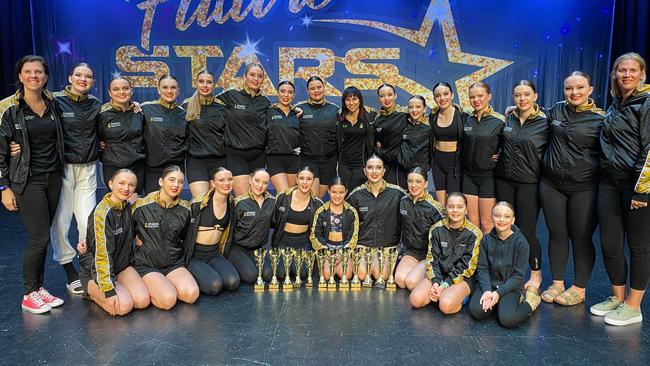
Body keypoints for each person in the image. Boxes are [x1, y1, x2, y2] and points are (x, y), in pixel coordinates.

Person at [0, 55, 66, 314]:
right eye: (28, 71)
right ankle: (29, 293)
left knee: (44, 237)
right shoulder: (10, 109)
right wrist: (4, 188)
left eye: (38, 72)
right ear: (20, 76)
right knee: (38, 238)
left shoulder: (53, 104)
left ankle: (39, 289)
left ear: (46, 77)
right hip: (27, 181)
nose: (33, 76)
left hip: (53, 177)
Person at [592, 52, 650, 326]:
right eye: (621, 70)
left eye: (632, 70)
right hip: (609, 183)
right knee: (610, 243)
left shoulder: (647, 103)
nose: (626, 75)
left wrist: (642, 191)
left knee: (638, 247)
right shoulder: (616, 104)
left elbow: (649, 149)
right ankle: (617, 297)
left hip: (636, 186)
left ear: (641, 74)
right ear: (615, 74)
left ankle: (634, 306)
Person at [539, 71, 605, 306]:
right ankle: (557, 283)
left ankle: (579, 287)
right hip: (551, 184)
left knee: (581, 238)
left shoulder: (601, 119)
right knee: (556, 235)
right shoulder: (556, 110)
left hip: (584, 188)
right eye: (569, 88)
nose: (574, 93)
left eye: (579, 88)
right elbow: (536, 120)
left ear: (590, 90)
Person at [495, 80, 548, 292]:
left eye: (527, 94)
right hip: (504, 180)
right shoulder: (509, 118)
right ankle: (507, 273)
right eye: (517, 95)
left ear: (535, 95)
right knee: (504, 228)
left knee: (527, 231)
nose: (522, 99)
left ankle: (536, 274)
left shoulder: (545, 122)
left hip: (529, 183)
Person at [77, 169, 150, 316]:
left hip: (121, 266)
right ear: (110, 184)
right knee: (124, 307)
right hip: (97, 270)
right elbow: (102, 254)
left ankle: (119, 286)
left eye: (131, 185)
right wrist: (108, 290)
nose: (126, 188)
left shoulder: (127, 207)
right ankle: (91, 291)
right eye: (121, 183)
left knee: (142, 301)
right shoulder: (102, 213)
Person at [132, 165, 199, 310]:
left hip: (173, 263)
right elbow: (125, 231)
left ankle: (163, 285)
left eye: (181, 182)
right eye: (172, 180)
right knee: (168, 300)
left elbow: (186, 238)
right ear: (161, 181)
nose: (176, 185)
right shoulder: (140, 206)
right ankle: (149, 288)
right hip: (147, 263)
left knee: (192, 294)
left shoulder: (186, 209)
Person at [470, 202, 542, 328]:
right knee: (476, 311)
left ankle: (530, 302)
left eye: (507, 216)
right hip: (490, 285)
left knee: (508, 320)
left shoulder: (521, 242)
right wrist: (487, 290)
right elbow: (482, 268)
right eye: (497, 216)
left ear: (513, 220)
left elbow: (518, 276)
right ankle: (498, 303)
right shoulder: (486, 240)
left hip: (510, 287)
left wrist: (499, 293)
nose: (502, 220)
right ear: (492, 218)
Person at [409, 192, 480, 314]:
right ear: (445, 209)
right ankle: (439, 294)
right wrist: (436, 282)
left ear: (466, 210)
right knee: (415, 300)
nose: (455, 210)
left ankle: (461, 298)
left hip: (461, 278)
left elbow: (467, 267)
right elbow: (432, 259)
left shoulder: (474, 234)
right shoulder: (436, 229)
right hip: (440, 273)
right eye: (451, 206)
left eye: (460, 207)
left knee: (445, 306)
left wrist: (446, 284)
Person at [346, 155, 404, 282]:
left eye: (378, 168)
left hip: (387, 248)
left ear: (384, 171)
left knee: (381, 276)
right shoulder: (356, 195)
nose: (374, 171)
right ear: (364, 171)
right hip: (363, 247)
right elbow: (347, 224)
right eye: (370, 168)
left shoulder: (397, 194)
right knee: (361, 275)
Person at [217, 62, 271, 196]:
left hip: (258, 155)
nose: (256, 79)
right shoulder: (231, 96)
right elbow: (208, 104)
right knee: (243, 199)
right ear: (244, 77)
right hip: (236, 154)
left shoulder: (265, 102)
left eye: (259, 76)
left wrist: (295, 109)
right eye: (252, 75)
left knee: (257, 197)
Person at [185, 167, 240, 295]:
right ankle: (190, 274)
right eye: (221, 180)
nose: (226, 183)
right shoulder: (198, 203)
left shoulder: (232, 204)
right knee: (215, 286)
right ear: (213, 183)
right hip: (195, 255)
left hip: (214, 253)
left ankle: (206, 273)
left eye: (230, 179)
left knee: (233, 282)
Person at [461, 82, 504, 233]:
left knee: (487, 224)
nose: (476, 100)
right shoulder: (466, 119)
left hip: (488, 176)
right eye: (472, 97)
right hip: (468, 176)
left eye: (480, 96)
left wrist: (501, 155)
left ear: (489, 96)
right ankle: (474, 256)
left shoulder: (500, 121)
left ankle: (486, 256)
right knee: (472, 223)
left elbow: (511, 143)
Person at [395, 167, 445, 290]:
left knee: (411, 283)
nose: (413, 185)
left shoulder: (435, 208)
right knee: (400, 280)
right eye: (410, 181)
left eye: (418, 181)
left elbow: (445, 237)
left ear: (426, 184)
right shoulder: (403, 202)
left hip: (428, 254)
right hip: (411, 252)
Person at [271, 166, 324, 279]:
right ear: (296, 180)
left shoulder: (318, 204)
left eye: (309, 179)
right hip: (283, 242)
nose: (305, 182)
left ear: (313, 181)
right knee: (281, 274)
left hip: (303, 243)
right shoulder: (282, 197)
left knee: (302, 274)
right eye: (301, 178)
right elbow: (273, 220)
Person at [183, 70, 227, 197]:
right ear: (196, 83)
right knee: (201, 204)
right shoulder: (186, 106)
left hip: (219, 161)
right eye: (201, 81)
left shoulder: (222, 108)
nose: (205, 85)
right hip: (196, 162)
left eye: (209, 82)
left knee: (218, 203)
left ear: (214, 85)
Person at [98, 76, 146, 193]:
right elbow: (91, 136)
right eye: (116, 89)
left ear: (131, 91)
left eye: (125, 88)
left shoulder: (139, 112)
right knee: (117, 207)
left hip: (137, 166)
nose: (121, 92)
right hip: (113, 167)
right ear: (109, 93)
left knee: (133, 207)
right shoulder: (101, 114)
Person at [227, 169, 275, 284]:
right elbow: (228, 229)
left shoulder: (272, 202)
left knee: (268, 274)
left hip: (257, 249)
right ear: (250, 180)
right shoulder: (239, 203)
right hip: (238, 248)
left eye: (264, 182)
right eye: (257, 181)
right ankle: (233, 264)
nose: (260, 185)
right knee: (250, 276)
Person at [141, 75, 187, 193]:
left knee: (172, 206)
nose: (169, 91)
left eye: (173, 87)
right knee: (152, 207)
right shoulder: (145, 109)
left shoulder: (184, 114)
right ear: (158, 89)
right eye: (165, 87)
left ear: (178, 90)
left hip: (175, 169)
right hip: (152, 168)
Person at [297, 76, 340, 197]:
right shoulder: (300, 110)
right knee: (313, 197)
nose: (316, 91)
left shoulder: (335, 110)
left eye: (319, 87)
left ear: (324, 88)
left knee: (319, 198)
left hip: (329, 161)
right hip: (308, 160)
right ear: (307, 91)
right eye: (312, 88)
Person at [310, 177, 360, 281]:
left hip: (344, 248)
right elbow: (315, 235)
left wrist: (342, 254)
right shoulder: (321, 211)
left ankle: (341, 265)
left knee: (346, 274)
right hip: (326, 248)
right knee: (327, 275)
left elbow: (353, 237)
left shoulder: (351, 212)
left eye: (341, 192)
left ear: (346, 192)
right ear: (328, 191)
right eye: (334, 192)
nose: (337, 196)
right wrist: (327, 253)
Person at [430, 82, 466, 205]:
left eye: (446, 94)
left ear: (452, 95)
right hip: (438, 163)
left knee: (452, 204)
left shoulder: (462, 115)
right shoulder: (432, 116)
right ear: (434, 98)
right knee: (441, 205)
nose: (442, 98)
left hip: (455, 164)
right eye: (438, 95)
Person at [337, 86, 374, 191]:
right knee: (344, 194)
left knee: (357, 195)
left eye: (354, 99)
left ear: (360, 100)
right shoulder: (340, 118)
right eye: (348, 99)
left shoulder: (368, 118)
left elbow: (371, 143)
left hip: (360, 165)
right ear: (344, 102)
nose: (351, 103)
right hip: (344, 165)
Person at [266, 80, 301, 193]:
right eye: (283, 91)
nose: (286, 95)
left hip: (293, 160)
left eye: (290, 92)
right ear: (277, 92)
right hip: (275, 159)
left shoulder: (298, 114)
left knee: (290, 196)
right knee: (283, 194)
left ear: (294, 95)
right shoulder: (269, 112)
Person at [373, 84, 409, 186]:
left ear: (395, 96)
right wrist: (379, 151)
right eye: (382, 96)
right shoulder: (376, 118)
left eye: (389, 95)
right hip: (384, 164)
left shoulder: (406, 113)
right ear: (378, 98)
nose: (386, 98)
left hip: (402, 165)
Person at [396, 95, 431, 189]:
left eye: (418, 107)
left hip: (420, 172)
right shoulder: (403, 123)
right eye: (411, 107)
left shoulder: (430, 126)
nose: (414, 110)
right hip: (402, 172)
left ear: (425, 109)